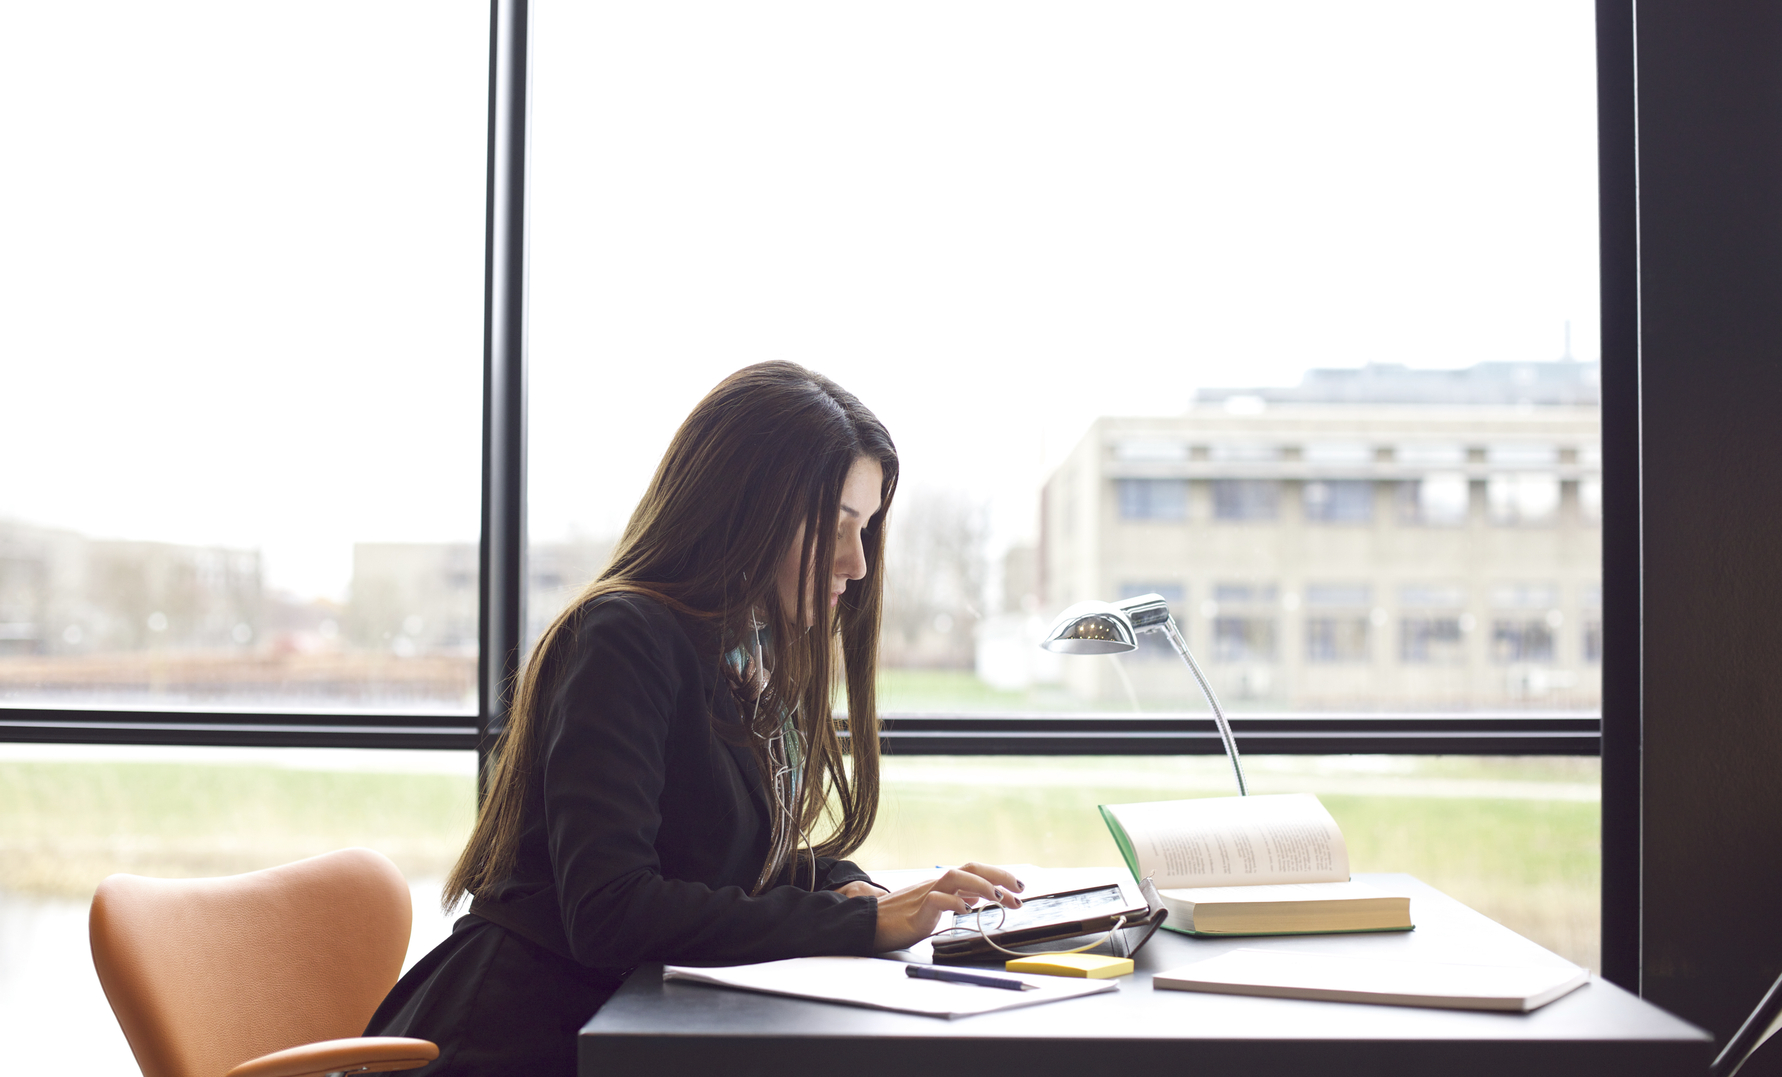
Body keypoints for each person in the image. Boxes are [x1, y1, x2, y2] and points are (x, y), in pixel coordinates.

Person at [366, 361, 1023, 1075]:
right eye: (836, 525)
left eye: (864, 528)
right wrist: (860, 922)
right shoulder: (624, 635)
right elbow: (612, 908)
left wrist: (838, 884)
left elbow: (710, 857)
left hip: (613, 1022)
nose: (857, 562)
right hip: (512, 1036)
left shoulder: (742, 654)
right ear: (744, 509)